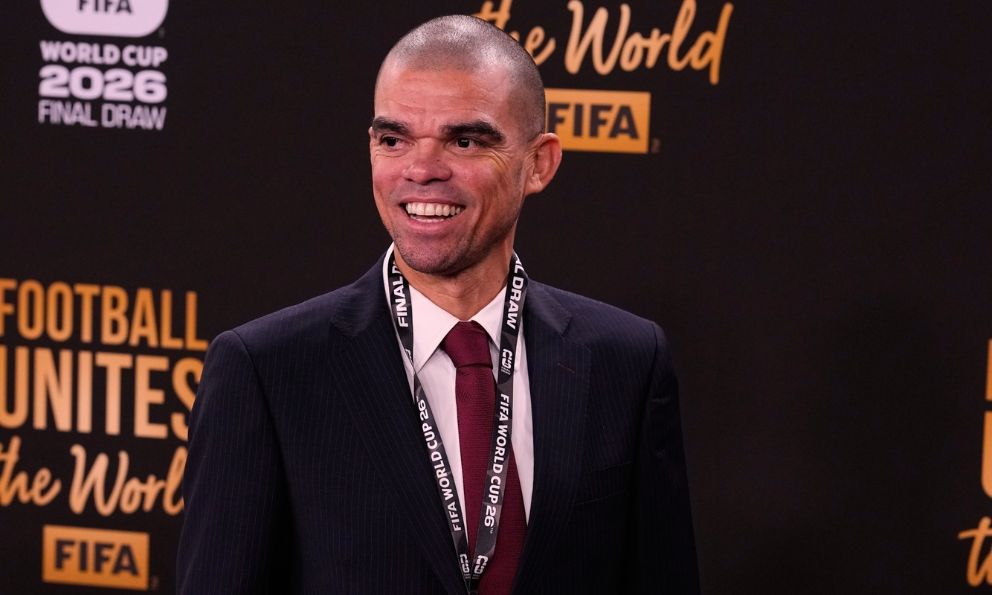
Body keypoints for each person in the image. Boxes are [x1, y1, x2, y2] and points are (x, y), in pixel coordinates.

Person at [177, 14, 698, 595]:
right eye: (393, 140)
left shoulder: (627, 360)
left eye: (465, 141)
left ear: (539, 164)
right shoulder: (267, 371)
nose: (421, 171)